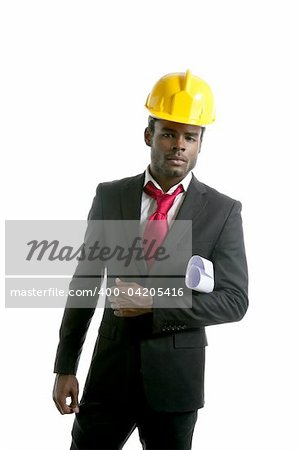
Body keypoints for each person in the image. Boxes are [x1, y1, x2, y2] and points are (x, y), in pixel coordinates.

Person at [52, 70, 249, 450]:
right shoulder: (111, 197)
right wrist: (65, 365)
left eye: (190, 137)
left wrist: (155, 302)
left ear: (200, 145)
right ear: (149, 136)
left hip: (176, 384)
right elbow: (85, 284)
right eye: (169, 134)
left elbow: (234, 300)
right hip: (109, 376)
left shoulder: (223, 211)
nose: (179, 145)